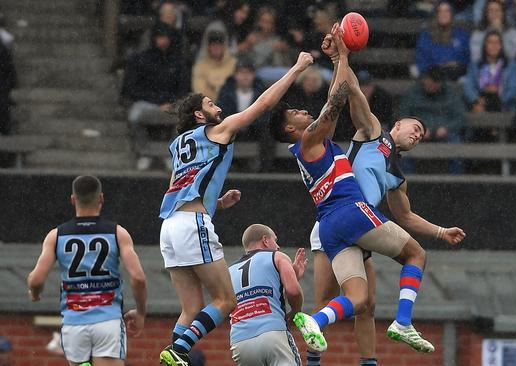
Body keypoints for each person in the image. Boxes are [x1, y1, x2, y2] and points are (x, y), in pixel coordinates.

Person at [269, 24, 434, 355]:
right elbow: (337, 100)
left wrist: (336, 60)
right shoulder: (312, 138)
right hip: (350, 212)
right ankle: (403, 321)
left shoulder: (312, 145)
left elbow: (335, 97)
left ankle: (317, 320)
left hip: (330, 227)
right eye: (297, 112)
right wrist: (341, 55)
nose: (304, 110)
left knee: (359, 299)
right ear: (291, 128)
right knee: (416, 253)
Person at [306, 38, 467, 365]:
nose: (418, 134)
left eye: (422, 135)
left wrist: (440, 231)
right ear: (398, 124)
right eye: (416, 127)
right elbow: (351, 93)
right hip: (342, 215)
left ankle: (369, 362)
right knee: (325, 298)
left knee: (365, 305)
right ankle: (315, 360)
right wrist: (342, 57)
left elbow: (405, 217)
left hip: (360, 226)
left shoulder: (397, 175)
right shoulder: (373, 133)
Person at [158, 51, 313, 366]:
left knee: (190, 309)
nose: (218, 107)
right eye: (210, 105)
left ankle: (173, 355)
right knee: (226, 299)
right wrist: (296, 68)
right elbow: (262, 105)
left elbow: (176, 189)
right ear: (199, 116)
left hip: (170, 227)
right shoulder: (217, 130)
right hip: (192, 224)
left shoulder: (178, 146)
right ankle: (178, 350)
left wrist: (216, 202)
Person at [27, 176, 147, 366]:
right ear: (101, 198)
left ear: (73, 200)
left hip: (74, 322)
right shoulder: (117, 233)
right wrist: (140, 312)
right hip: (108, 320)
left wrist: (35, 293)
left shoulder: (56, 235)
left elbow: (36, 280)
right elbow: (138, 278)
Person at [229, 224, 307, 366]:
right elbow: (293, 291)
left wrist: (292, 275)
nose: (277, 246)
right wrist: (296, 311)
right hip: (273, 334)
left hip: (240, 342)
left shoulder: (229, 270)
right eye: (275, 240)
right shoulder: (277, 256)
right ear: (265, 240)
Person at [121, 23, 190, 170]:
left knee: (186, 118)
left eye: (165, 37)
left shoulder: (178, 61)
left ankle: (168, 153)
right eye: (159, 37)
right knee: (133, 116)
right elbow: (131, 89)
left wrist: (170, 102)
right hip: (146, 102)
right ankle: (144, 152)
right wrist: (157, 102)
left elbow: (183, 89)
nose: (163, 41)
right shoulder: (141, 60)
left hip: (172, 103)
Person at [399, 66, 466, 174]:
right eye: (429, 82)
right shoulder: (412, 93)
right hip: (417, 132)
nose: (431, 86)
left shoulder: (450, 94)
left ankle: (456, 181)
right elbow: (403, 116)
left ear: (440, 83)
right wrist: (417, 129)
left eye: (435, 83)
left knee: (456, 146)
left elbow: (460, 117)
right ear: (424, 80)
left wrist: (447, 128)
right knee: (404, 147)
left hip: (445, 133)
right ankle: (407, 182)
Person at [216, 58, 273, 172]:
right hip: (233, 128)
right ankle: (223, 167)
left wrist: (249, 122)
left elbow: (266, 113)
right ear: (236, 75)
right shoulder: (226, 91)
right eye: (242, 73)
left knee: (268, 133)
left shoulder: (261, 90)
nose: (245, 76)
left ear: (253, 75)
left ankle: (265, 170)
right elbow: (223, 112)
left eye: (249, 73)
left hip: (255, 128)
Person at [464, 30, 516, 113]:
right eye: (490, 42)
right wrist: (477, 100)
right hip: (480, 102)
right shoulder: (475, 65)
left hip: (503, 104)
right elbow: (468, 87)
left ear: (501, 46)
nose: (494, 46)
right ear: (485, 45)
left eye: (497, 43)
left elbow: (513, 90)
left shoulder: (511, 65)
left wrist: (496, 99)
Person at [415, 1, 470, 80]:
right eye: (440, 11)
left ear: (452, 14)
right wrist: (439, 66)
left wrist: (457, 64)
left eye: (447, 11)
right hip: (433, 76)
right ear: (436, 14)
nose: (443, 14)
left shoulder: (462, 35)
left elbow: (467, 59)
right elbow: (422, 60)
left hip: (456, 75)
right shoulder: (426, 35)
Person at [192, 30, 237, 102]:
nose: (216, 48)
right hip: (209, 107)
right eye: (213, 45)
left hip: (231, 106)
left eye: (219, 45)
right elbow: (199, 92)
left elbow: (237, 89)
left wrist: (213, 87)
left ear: (224, 46)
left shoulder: (234, 64)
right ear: (208, 47)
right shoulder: (200, 66)